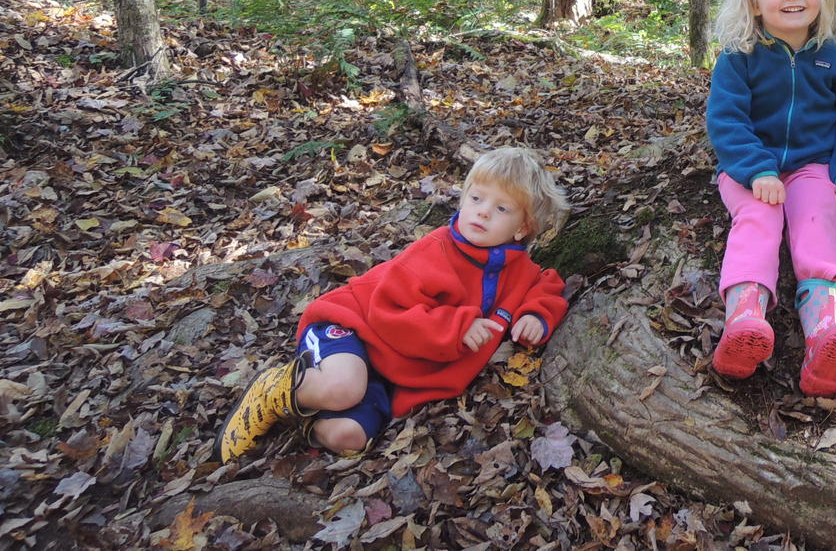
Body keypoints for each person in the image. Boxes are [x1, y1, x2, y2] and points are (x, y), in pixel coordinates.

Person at [213, 146, 569, 462]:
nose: (483, 212)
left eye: (501, 207)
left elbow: (545, 287)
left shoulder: (519, 270)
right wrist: (458, 326)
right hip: (355, 328)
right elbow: (387, 310)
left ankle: (300, 415)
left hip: (391, 375)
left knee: (348, 438)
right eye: (476, 199)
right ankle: (273, 389)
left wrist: (537, 315)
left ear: (523, 228)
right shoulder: (436, 249)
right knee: (344, 387)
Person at [705, 0, 836, 397]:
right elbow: (726, 120)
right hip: (748, 171)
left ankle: (825, 335)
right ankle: (744, 321)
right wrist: (757, 170)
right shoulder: (739, 57)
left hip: (811, 166)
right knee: (757, 221)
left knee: (818, 224)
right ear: (755, 3)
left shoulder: (834, 57)